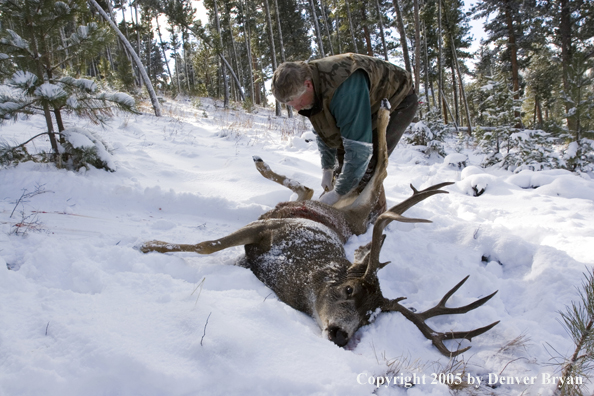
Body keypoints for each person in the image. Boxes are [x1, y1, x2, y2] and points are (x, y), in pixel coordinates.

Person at [271, 53, 418, 214]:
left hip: (397, 100)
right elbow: (324, 131)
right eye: (292, 106)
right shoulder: (308, 91)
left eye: (298, 102)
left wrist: (338, 193)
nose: (298, 108)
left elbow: (360, 152)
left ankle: (374, 216)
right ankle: (343, 207)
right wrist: (327, 168)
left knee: (369, 165)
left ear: (308, 84)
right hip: (363, 103)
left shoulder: (343, 90)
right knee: (344, 166)